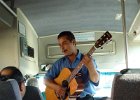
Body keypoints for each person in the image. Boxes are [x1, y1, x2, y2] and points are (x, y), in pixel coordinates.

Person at [44, 31, 100, 100]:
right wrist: (58, 88)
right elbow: (46, 80)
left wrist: (91, 67)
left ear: (73, 42)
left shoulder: (88, 60)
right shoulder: (59, 63)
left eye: (64, 43)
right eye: (60, 45)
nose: (62, 48)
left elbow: (96, 81)